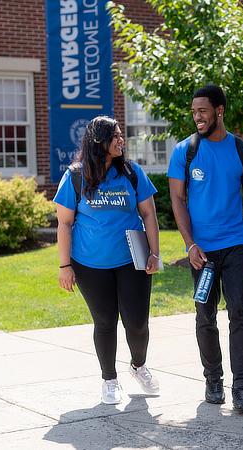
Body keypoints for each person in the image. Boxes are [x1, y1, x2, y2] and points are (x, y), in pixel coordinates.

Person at [167, 84, 243, 412]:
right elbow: (177, 200)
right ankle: (213, 379)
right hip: (203, 252)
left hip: (236, 244)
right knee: (205, 315)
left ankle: (241, 386)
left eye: (203, 111)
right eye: (194, 111)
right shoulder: (185, 151)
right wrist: (190, 244)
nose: (197, 116)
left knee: (240, 312)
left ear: (219, 111)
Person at [54, 115, 161, 405]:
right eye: (115, 136)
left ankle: (138, 365)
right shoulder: (76, 176)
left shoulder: (132, 172)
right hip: (90, 264)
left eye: (120, 135)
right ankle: (109, 379)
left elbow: (149, 214)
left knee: (137, 323)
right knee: (104, 322)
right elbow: (64, 224)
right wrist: (65, 266)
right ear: (99, 142)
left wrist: (154, 253)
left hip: (132, 259)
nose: (120, 140)